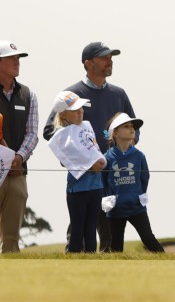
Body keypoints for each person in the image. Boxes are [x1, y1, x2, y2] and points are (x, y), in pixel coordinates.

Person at [43, 42, 137, 253]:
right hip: (83, 175)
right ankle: (74, 261)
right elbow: (50, 131)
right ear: (88, 63)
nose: (110, 61)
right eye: (104, 57)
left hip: (112, 170)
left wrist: (121, 148)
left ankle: (105, 269)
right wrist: (82, 158)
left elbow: (134, 130)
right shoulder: (71, 94)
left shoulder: (119, 94)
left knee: (108, 227)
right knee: (80, 223)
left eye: (111, 57)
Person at [51, 91, 106, 253]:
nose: (80, 111)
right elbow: (67, 158)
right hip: (77, 189)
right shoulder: (61, 134)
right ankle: (73, 263)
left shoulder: (86, 126)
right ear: (63, 114)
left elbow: (94, 149)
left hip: (96, 186)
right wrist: (91, 165)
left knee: (90, 229)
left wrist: (100, 161)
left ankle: (90, 261)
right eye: (75, 110)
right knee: (77, 230)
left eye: (81, 108)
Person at [102, 112, 163, 253]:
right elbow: (103, 181)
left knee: (148, 239)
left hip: (136, 207)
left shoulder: (139, 156)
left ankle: (168, 264)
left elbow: (145, 177)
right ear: (115, 133)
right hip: (116, 210)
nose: (132, 129)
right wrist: (110, 199)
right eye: (126, 126)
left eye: (132, 127)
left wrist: (138, 195)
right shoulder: (107, 158)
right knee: (116, 247)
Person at [0, 41, 38, 253]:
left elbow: (32, 134)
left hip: (17, 173)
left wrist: (18, 158)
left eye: (18, 58)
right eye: (11, 58)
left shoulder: (27, 94)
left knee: (12, 239)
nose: (17, 62)